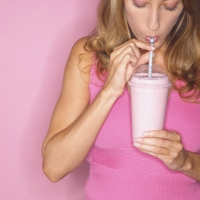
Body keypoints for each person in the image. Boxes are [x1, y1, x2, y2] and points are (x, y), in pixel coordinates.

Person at [42, 0, 200, 199]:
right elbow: (54, 167)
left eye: (169, 7)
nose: (153, 24)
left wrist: (186, 162)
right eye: (140, 4)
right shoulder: (88, 56)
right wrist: (109, 91)